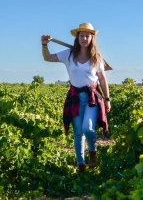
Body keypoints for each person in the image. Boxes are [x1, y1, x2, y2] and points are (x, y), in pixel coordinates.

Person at [41, 22, 111, 173]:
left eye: (87, 36)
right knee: (78, 132)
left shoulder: (97, 57)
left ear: (92, 38)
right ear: (77, 37)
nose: (84, 38)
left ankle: (92, 152)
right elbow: (48, 58)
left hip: (92, 98)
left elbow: (103, 79)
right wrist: (44, 45)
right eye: (82, 35)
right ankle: (81, 165)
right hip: (75, 98)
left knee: (88, 128)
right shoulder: (68, 54)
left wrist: (107, 99)